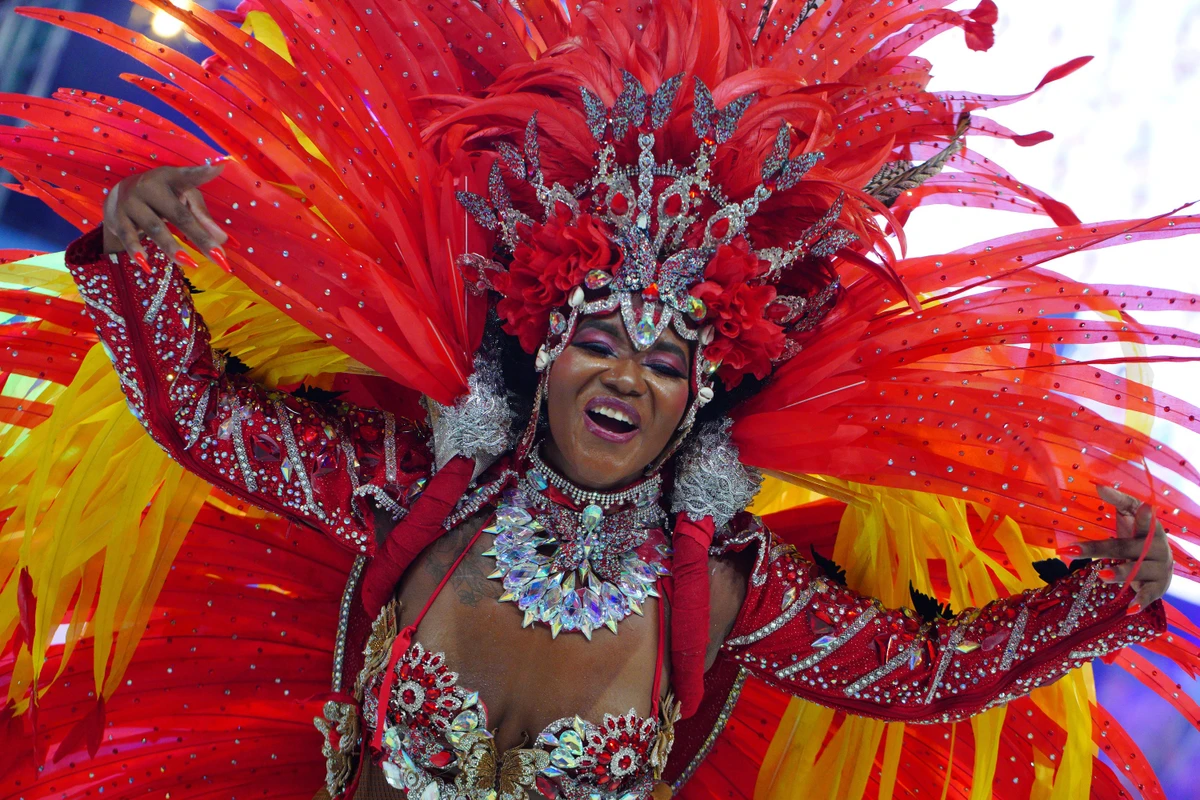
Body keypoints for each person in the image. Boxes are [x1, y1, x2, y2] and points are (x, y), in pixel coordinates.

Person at [0, 1, 1195, 798]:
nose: (627, 370)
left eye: (667, 358)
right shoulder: (422, 481)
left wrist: (1103, 603)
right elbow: (205, 421)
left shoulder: (725, 585)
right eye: (600, 338)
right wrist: (136, 255)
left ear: (702, 394)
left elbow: (923, 674)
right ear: (546, 346)